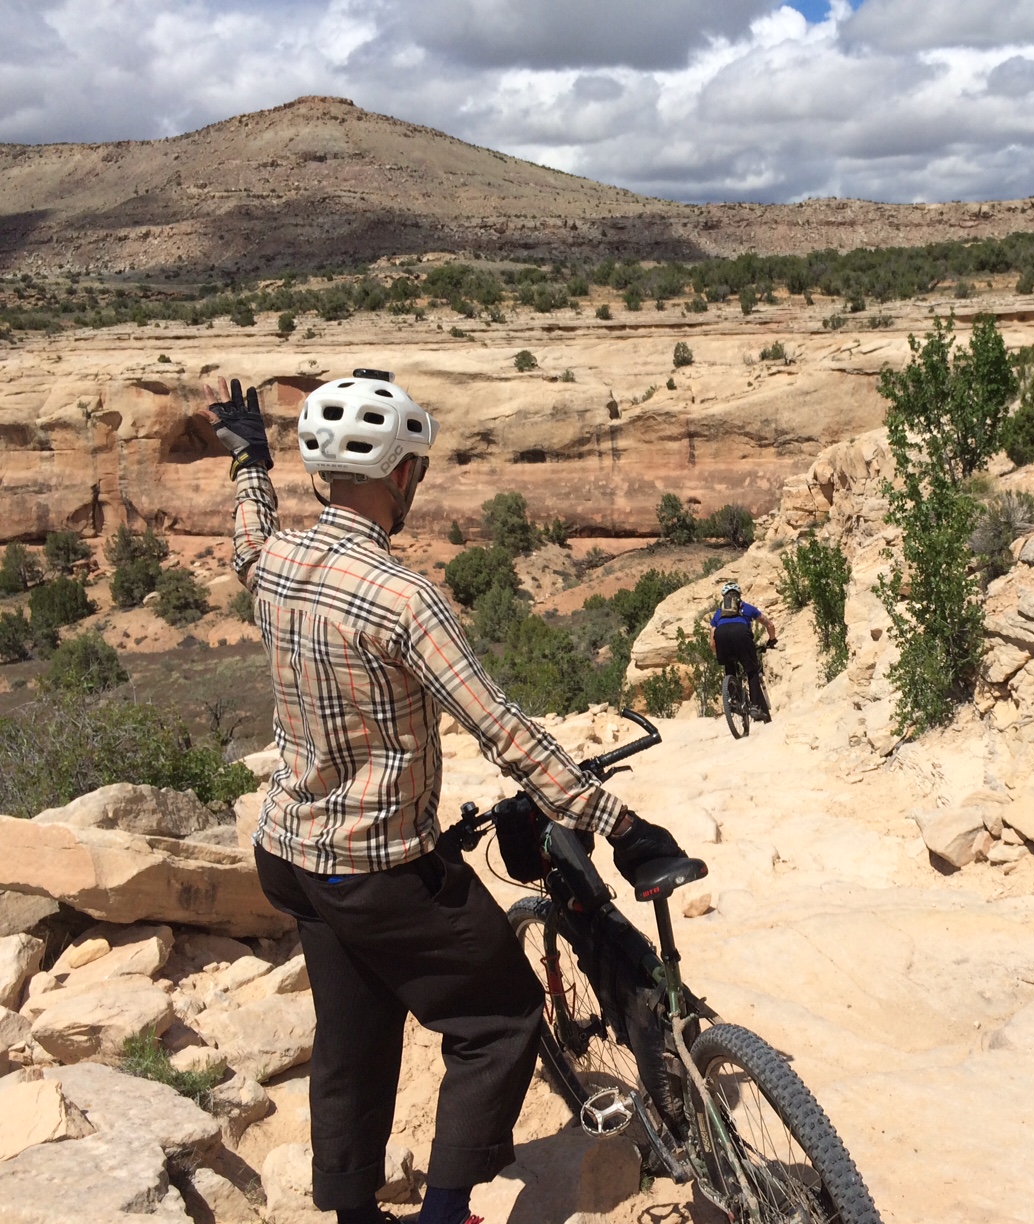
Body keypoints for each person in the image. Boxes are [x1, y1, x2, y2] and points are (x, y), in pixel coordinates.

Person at [201, 371, 685, 1224]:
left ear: (321, 469)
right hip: (378, 868)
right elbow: (500, 727)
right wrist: (621, 823)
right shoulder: (404, 597)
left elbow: (249, 538)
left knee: (353, 1035)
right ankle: (446, 1212)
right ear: (400, 475)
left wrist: (248, 459)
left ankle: (353, 1212)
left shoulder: (279, 562)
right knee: (499, 1019)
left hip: (288, 856)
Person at [709, 579, 776, 721]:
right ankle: (756, 706)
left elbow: (712, 642)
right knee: (751, 670)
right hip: (741, 633)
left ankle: (734, 701)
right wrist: (772, 640)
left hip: (721, 635)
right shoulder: (747, 608)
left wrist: (719, 654)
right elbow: (769, 624)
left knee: (729, 666)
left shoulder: (719, 613)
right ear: (739, 595)